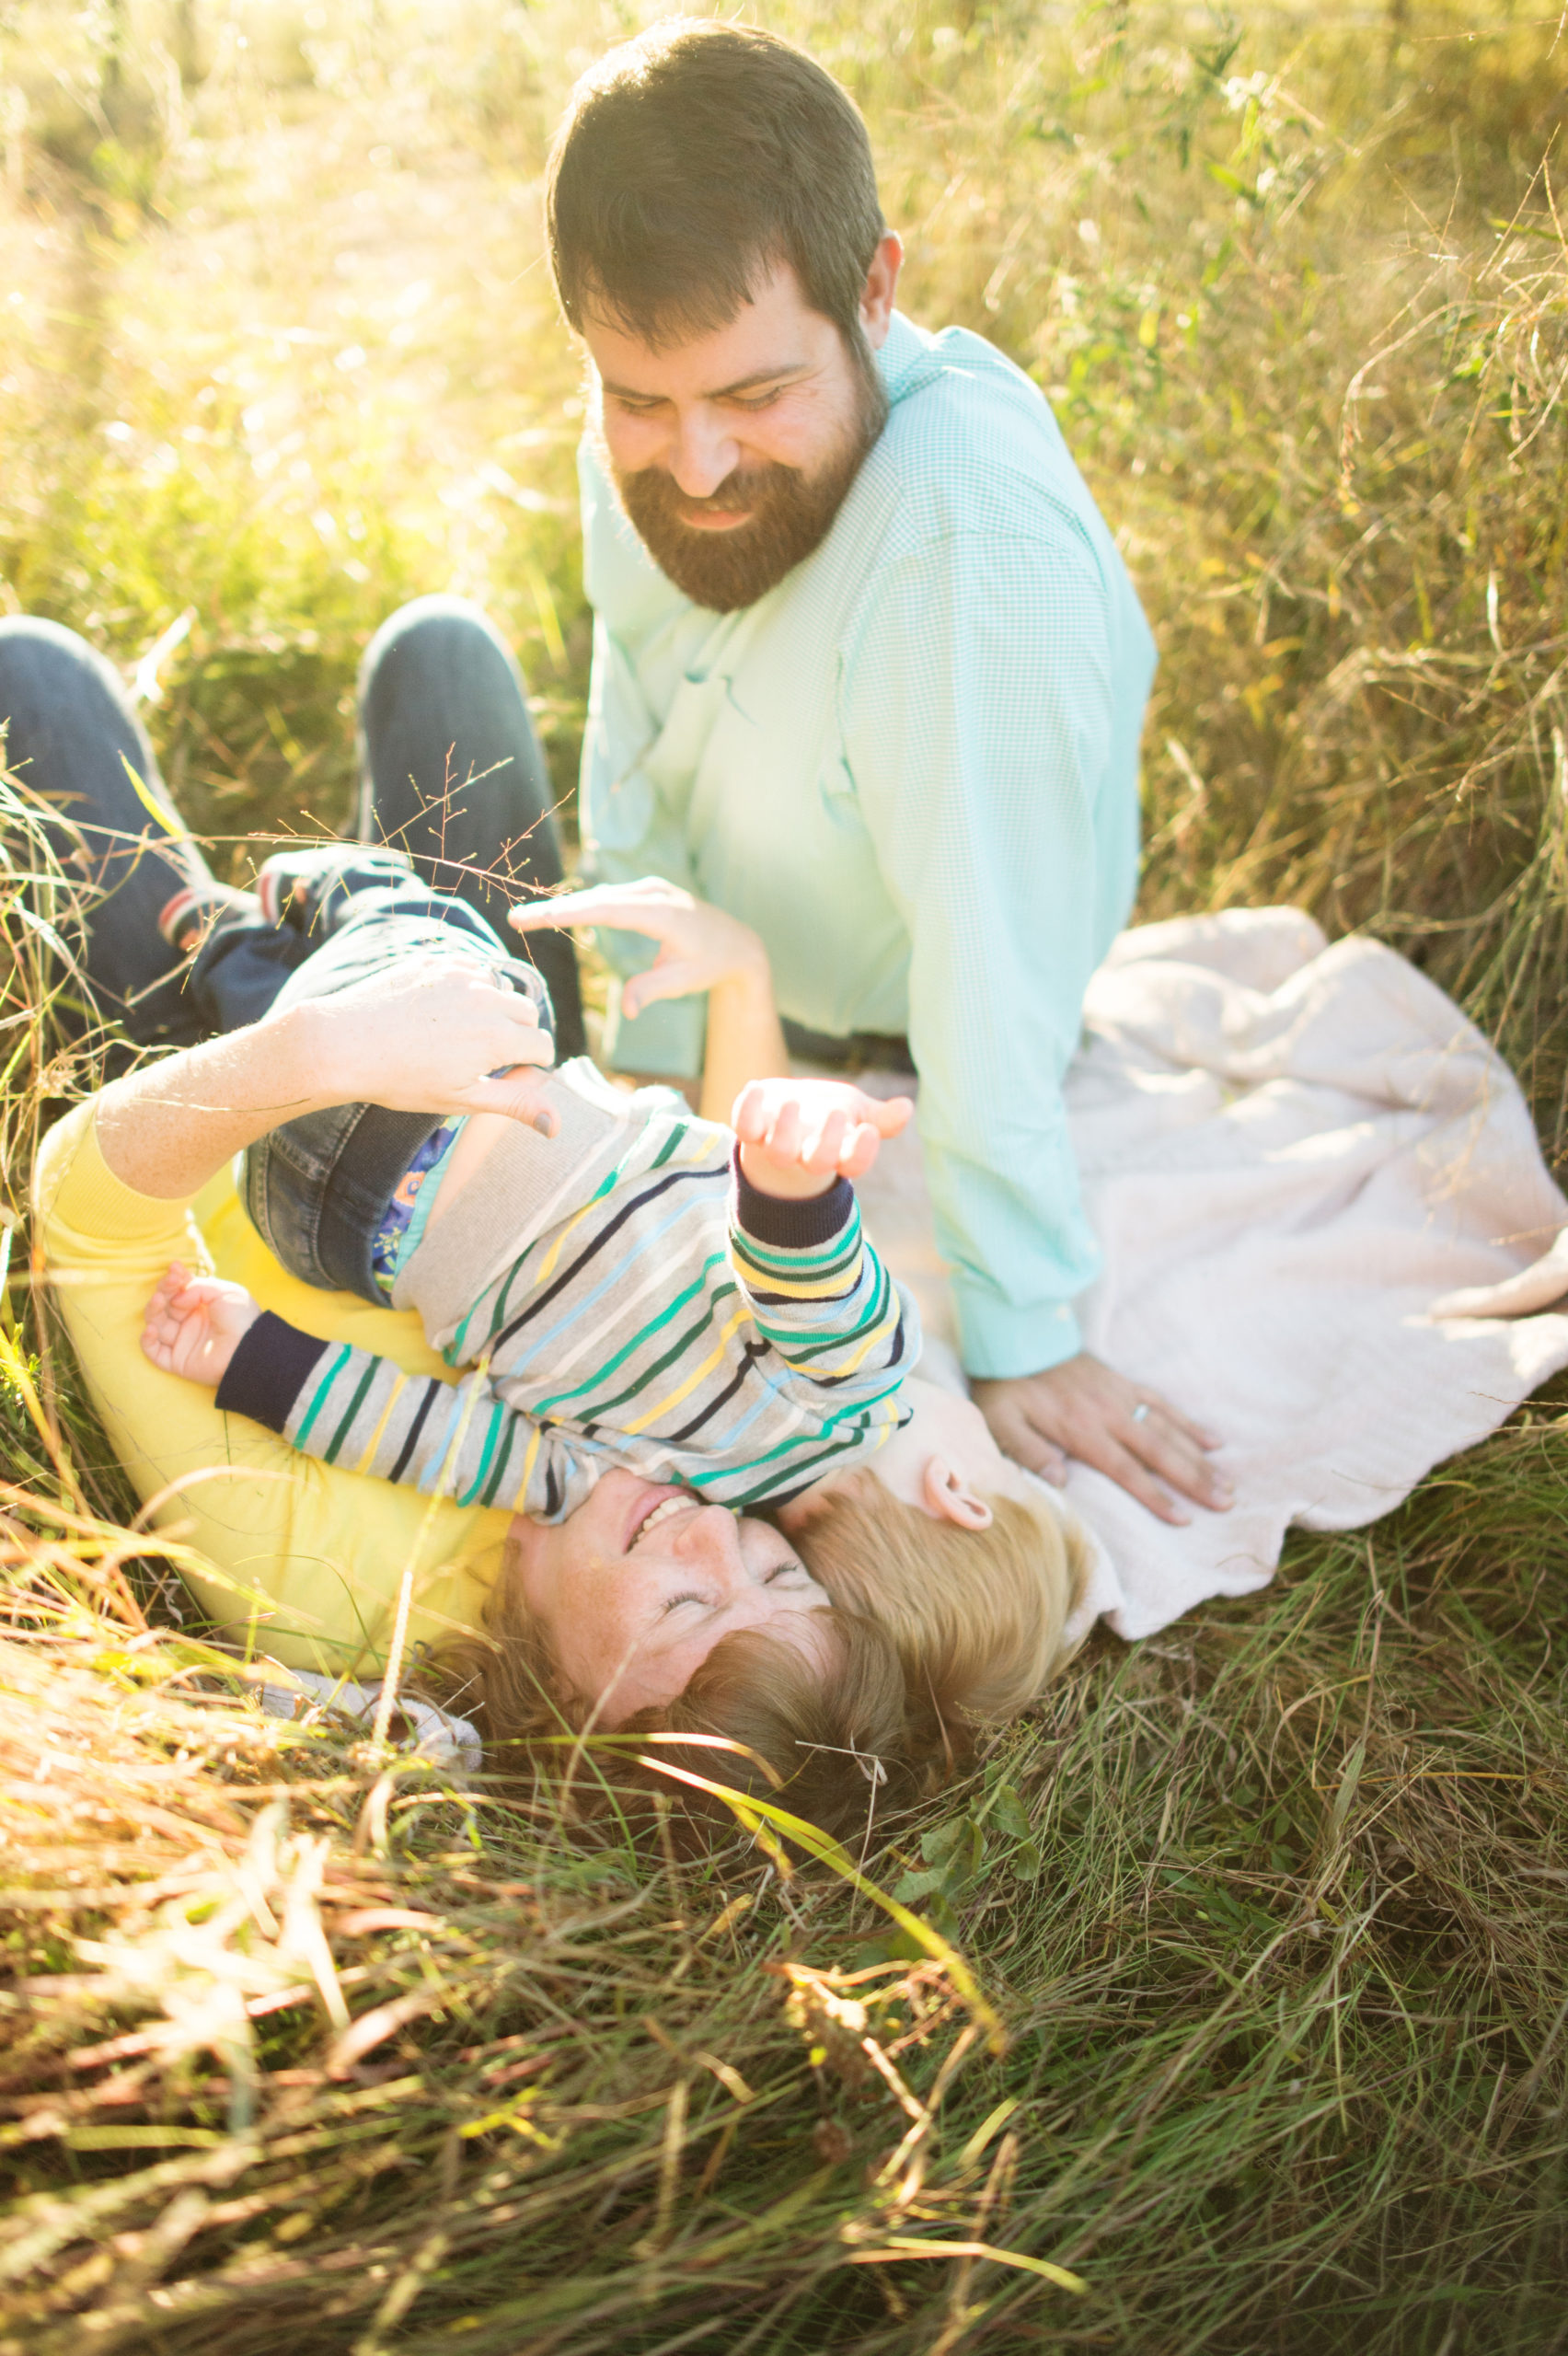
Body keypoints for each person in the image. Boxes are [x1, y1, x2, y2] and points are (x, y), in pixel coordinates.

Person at [11, 613, 1084, 1836]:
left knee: (31, 675)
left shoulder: (346, 1598)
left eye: (684, 1607)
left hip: (208, 1111)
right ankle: (298, 921)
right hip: (521, 1102)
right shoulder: (682, 1481)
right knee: (443, 657)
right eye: (776, 1564)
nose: (709, 1538)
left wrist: (313, 1060)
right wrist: (741, 980)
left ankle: (242, 935)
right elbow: (729, 1249)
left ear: (577, 1710)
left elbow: (93, 1224)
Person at [537, 19, 1235, 1531]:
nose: (696, 466)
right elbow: (632, 722)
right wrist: (653, 1090)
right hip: (726, 1022)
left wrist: (1024, 1325)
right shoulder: (651, 426)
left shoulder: (961, 544)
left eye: (755, 396)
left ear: (875, 289)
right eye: (639, 400)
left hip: (891, 1073)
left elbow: (991, 951)